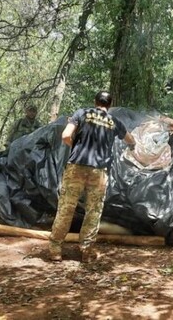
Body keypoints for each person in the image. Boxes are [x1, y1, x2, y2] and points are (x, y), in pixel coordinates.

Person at [49, 91, 136, 263]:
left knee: (66, 208)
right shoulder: (114, 121)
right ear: (110, 105)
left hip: (76, 167)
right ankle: (86, 251)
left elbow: (66, 135)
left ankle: (55, 249)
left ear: (94, 101)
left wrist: (76, 147)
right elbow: (130, 139)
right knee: (93, 212)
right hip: (99, 172)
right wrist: (132, 146)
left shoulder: (82, 113)